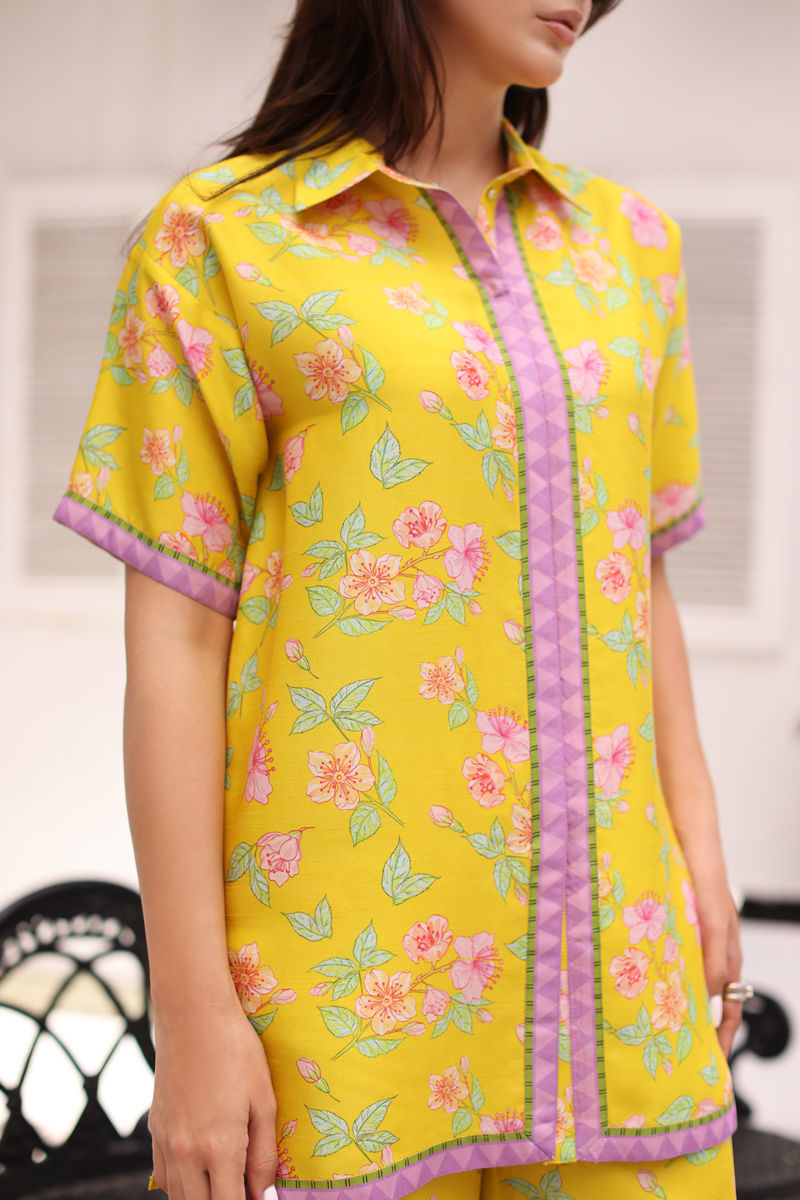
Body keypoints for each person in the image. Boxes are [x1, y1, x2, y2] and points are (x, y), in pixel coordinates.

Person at [53, 1, 750, 1197]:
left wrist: (702, 860)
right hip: (340, 1020)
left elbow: (636, 574)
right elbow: (174, 643)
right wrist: (193, 1016)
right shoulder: (221, 242)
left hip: (622, 988)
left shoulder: (629, 247)